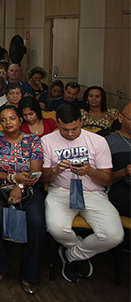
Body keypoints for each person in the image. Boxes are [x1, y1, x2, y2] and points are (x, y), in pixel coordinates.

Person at [41, 102, 123, 282]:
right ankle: (78, 251)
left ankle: (73, 255)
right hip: (61, 191)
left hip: (93, 193)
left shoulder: (97, 141)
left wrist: (90, 171)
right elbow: (43, 178)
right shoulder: (47, 140)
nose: (70, 134)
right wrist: (56, 170)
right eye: (65, 130)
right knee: (56, 228)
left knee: (114, 235)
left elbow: (107, 179)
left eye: (75, 129)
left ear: (81, 121)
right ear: (57, 123)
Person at [0, 105, 45, 294]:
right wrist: (12, 179)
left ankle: (30, 273)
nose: (8, 122)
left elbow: (35, 172)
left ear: (20, 120)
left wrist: (19, 186)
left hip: (28, 186)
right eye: (3, 119)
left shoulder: (33, 141)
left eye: (12, 118)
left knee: (37, 222)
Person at [106, 103, 131, 220]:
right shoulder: (107, 143)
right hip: (120, 190)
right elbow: (102, 179)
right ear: (120, 118)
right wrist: (124, 172)